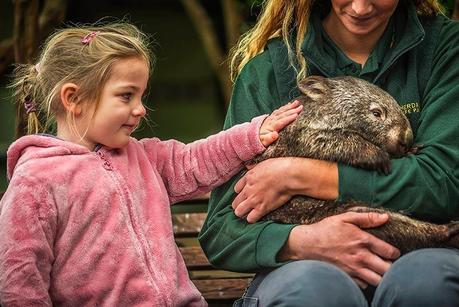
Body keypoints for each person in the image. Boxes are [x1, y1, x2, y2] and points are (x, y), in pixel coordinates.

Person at [0, 21, 304, 306]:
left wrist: (254, 133)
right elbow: (19, 277)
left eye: (141, 96)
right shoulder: (36, 180)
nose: (140, 109)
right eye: (126, 96)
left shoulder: (143, 157)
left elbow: (196, 159)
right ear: (73, 98)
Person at [199, 0, 459, 306]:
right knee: (312, 289)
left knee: (425, 283)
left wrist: (300, 176)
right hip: (302, 266)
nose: (361, 7)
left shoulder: (444, 50)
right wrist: (300, 242)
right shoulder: (269, 71)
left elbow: (446, 181)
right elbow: (222, 228)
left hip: (426, 254)